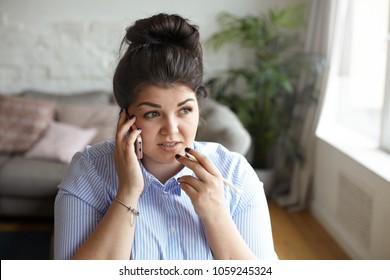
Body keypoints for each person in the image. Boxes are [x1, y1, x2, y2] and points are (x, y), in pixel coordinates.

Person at [54, 13, 276, 260]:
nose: (171, 130)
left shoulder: (235, 172)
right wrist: (128, 191)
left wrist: (215, 214)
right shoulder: (90, 170)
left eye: (184, 110)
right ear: (126, 117)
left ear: (198, 108)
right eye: (152, 114)